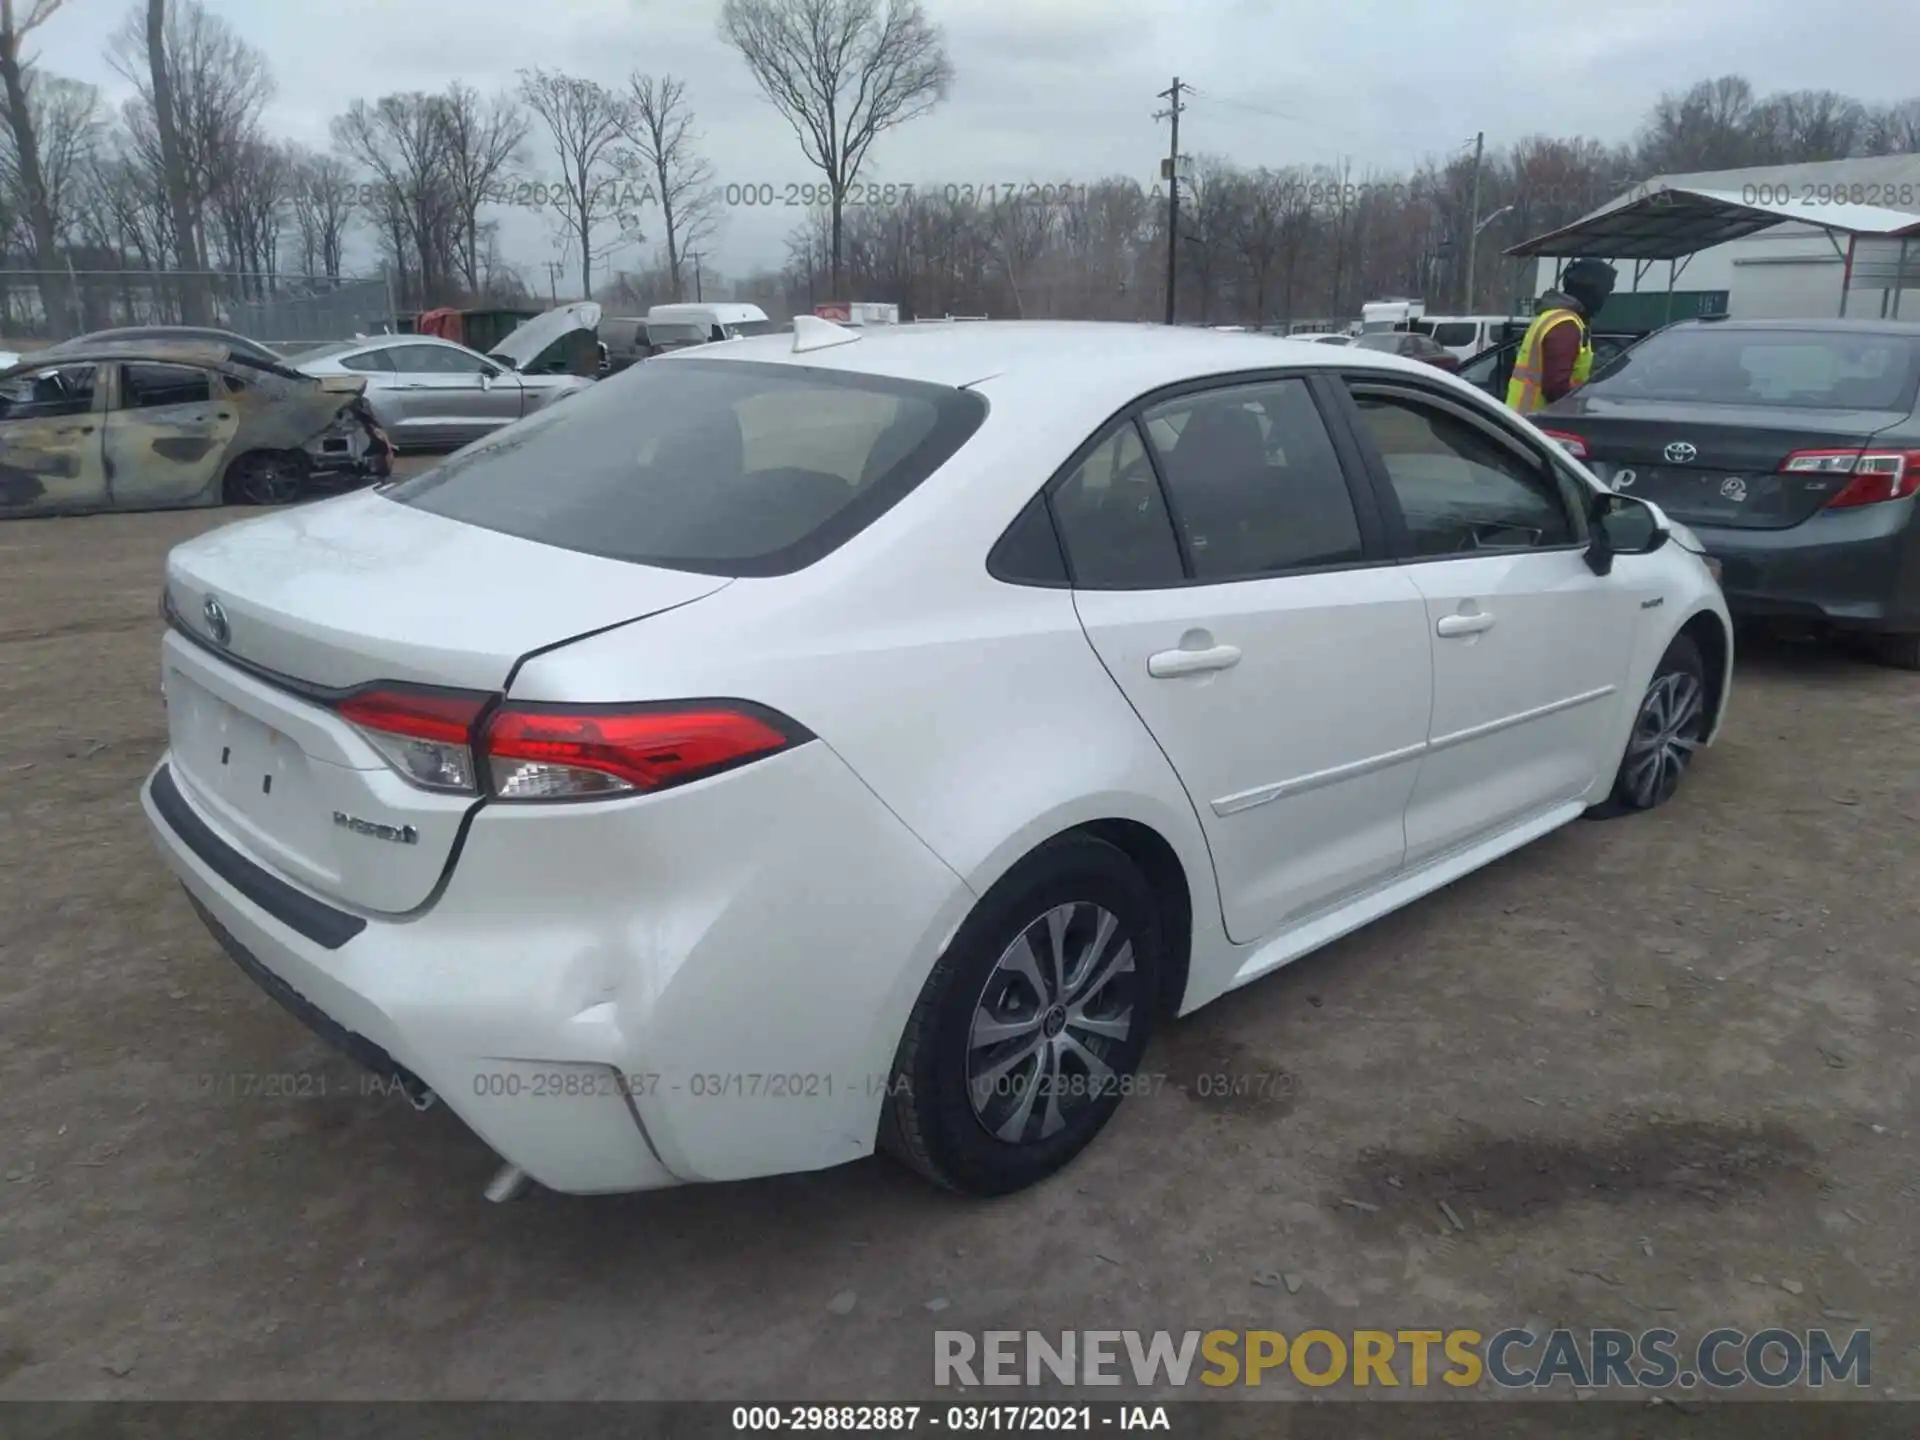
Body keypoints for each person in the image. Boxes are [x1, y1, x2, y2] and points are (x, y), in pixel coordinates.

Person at [1505, 258, 1617, 414]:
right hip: (1539, 426)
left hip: (1526, 420)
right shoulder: (1565, 324)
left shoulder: (1554, 317)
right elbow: (1556, 390)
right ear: (1593, 291)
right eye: (1605, 293)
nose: (1604, 300)